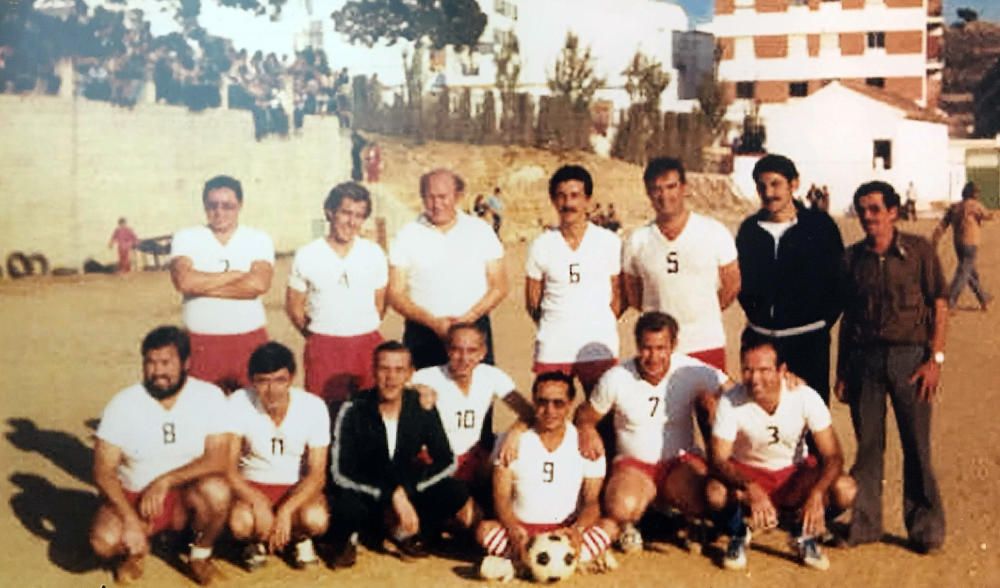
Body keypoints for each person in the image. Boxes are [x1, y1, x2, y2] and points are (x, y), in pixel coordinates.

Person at [836, 180, 948, 553]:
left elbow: (940, 304)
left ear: (893, 212)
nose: (868, 217)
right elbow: (847, 318)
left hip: (910, 359)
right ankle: (865, 524)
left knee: (916, 446)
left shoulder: (918, 252)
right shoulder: (852, 259)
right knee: (868, 445)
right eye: (862, 210)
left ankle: (926, 529)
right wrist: (841, 372)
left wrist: (935, 359)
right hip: (864, 361)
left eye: (875, 209)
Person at [575, 312, 733, 553]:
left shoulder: (690, 369)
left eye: (661, 348)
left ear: (673, 345)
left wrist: (785, 384)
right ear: (637, 345)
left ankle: (689, 520)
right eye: (646, 348)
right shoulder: (616, 378)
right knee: (620, 507)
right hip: (634, 465)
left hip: (678, 464)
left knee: (706, 499)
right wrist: (586, 428)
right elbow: (586, 414)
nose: (654, 356)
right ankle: (633, 524)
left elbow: (737, 392)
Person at [89, 326, 232, 585]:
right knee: (104, 541)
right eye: (150, 363)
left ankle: (200, 556)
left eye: (166, 363)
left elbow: (218, 458)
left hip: (187, 496)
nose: (157, 372)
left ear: (186, 363)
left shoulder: (208, 396)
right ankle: (133, 554)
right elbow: (103, 471)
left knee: (217, 492)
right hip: (137, 496)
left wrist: (165, 481)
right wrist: (130, 520)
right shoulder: (123, 403)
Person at [706, 337, 856, 571]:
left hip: (793, 476)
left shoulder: (804, 396)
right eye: (747, 370)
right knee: (715, 493)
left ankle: (802, 532)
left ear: (782, 370)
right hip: (749, 474)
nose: (754, 379)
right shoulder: (731, 400)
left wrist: (817, 493)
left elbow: (833, 455)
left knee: (845, 490)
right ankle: (738, 533)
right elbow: (718, 459)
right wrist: (751, 486)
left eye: (764, 370)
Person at [328, 341, 480, 567]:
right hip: (369, 491)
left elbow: (446, 460)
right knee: (347, 501)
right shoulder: (354, 408)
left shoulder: (420, 406)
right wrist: (391, 495)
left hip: (406, 486)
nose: (391, 378)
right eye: (384, 369)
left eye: (399, 370)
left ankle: (406, 533)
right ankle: (352, 536)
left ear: (410, 374)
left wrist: (407, 490)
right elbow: (340, 471)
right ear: (373, 370)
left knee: (454, 490)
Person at [476, 372, 619, 580]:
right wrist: (513, 529)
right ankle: (571, 562)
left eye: (558, 403)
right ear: (533, 401)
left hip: (566, 533)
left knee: (610, 527)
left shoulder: (586, 443)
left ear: (570, 403)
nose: (549, 410)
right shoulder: (512, 441)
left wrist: (577, 531)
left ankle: (522, 565)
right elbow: (501, 497)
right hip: (523, 531)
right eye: (542, 402)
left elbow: (591, 502)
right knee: (484, 530)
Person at [736, 154, 843, 405]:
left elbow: (838, 282)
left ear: (794, 184)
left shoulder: (820, 227)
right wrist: (758, 318)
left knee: (810, 417)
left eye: (775, 184)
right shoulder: (749, 230)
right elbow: (741, 280)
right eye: (762, 186)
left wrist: (819, 323)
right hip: (761, 341)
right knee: (761, 417)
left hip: (808, 342)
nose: (768, 192)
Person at [623, 157, 741, 371]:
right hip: (658, 350)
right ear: (648, 193)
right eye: (656, 189)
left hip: (705, 343)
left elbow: (731, 285)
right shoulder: (637, 240)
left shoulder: (714, 232)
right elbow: (633, 294)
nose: (665, 196)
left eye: (671, 187)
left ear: (684, 188)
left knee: (710, 404)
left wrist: (702, 310)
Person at [388, 169, 508, 369]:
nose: (437, 204)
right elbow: (395, 294)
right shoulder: (406, 234)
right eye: (430, 197)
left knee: (476, 397)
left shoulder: (481, 231)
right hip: (423, 333)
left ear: (458, 196)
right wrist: (434, 323)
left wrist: (465, 320)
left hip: (473, 330)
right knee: (423, 398)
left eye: (443, 197)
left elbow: (499, 286)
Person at [227, 342, 330, 571]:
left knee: (316, 518)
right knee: (240, 524)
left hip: (295, 487)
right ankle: (254, 542)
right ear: (252, 380)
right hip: (253, 485)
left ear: (291, 378)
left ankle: (299, 538)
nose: (272, 390)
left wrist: (286, 511)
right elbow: (228, 468)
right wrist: (256, 501)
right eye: (263, 381)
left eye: (279, 380)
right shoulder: (238, 402)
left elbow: (317, 474)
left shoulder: (313, 407)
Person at [170, 175, 274, 393]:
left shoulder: (257, 238)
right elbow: (185, 281)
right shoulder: (187, 237)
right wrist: (233, 275)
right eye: (212, 205)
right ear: (204, 206)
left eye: (228, 206)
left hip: (248, 339)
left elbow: (258, 284)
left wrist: (204, 285)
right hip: (200, 342)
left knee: (251, 409)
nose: (219, 212)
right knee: (202, 414)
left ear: (240, 206)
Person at [285, 182, 387, 407]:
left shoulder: (373, 253)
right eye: (346, 213)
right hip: (324, 346)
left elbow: (380, 304)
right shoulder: (308, 254)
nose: (352, 222)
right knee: (324, 413)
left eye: (359, 216)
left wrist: (357, 326)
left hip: (366, 343)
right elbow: (294, 307)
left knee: (367, 413)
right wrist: (318, 333)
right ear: (330, 212)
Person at [526, 165, 622, 396]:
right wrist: (557, 322)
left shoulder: (608, 242)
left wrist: (597, 321)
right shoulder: (542, 244)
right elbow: (532, 301)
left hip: (598, 346)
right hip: (554, 346)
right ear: (553, 200)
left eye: (575, 196)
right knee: (549, 416)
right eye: (561, 196)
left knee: (602, 420)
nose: (568, 203)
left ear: (588, 200)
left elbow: (618, 296)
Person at [411, 323, 535, 503]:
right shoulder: (427, 377)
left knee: (517, 446)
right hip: (438, 460)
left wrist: (515, 432)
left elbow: (529, 413)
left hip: (474, 458)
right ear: (447, 350)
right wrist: (411, 394)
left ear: (482, 352)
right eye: (457, 350)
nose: (464, 358)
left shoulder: (491, 375)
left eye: (471, 351)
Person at [932, 181, 993, 311]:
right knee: (964, 273)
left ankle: (983, 298)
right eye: (977, 192)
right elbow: (988, 215)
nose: (978, 194)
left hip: (958, 243)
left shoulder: (955, 207)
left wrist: (935, 238)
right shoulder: (974, 205)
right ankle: (950, 299)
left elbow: (943, 224)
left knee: (970, 273)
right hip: (971, 243)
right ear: (972, 193)